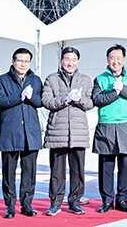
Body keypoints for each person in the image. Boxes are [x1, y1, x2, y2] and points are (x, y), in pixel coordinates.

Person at [92, 44, 127, 213]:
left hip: (126, 125)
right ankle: (107, 200)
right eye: (112, 58)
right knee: (106, 166)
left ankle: (122, 199)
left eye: (118, 58)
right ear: (107, 60)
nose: (115, 61)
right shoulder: (100, 79)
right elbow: (97, 100)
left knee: (126, 166)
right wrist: (115, 93)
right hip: (106, 125)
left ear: (124, 60)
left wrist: (123, 89)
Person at [42, 47, 93, 216]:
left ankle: (75, 202)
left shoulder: (85, 80)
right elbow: (47, 101)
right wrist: (66, 99)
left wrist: (79, 100)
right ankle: (55, 202)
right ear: (61, 61)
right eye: (67, 59)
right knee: (57, 171)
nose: (70, 63)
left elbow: (90, 103)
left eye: (73, 59)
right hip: (58, 130)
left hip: (78, 131)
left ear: (78, 61)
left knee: (78, 169)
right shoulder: (51, 79)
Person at [0, 48, 43, 218]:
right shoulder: (2, 79)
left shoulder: (36, 80)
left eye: (26, 61)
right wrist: (19, 96)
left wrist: (30, 97)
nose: (23, 64)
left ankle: (27, 204)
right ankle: (9, 206)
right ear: (13, 61)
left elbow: (40, 102)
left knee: (29, 171)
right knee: (8, 171)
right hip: (10, 131)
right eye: (20, 60)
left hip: (30, 131)